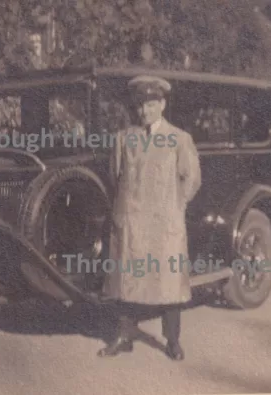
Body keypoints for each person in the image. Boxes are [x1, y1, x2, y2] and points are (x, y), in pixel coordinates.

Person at [97, 75, 202, 361]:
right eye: (140, 105)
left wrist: (174, 207)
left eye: (151, 104)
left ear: (162, 104)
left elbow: (191, 180)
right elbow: (115, 176)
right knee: (126, 280)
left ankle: (173, 341)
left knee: (168, 282)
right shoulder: (123, 139)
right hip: (131, 222)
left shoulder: (179, 139)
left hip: (164, 224)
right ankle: (123, 335)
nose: (145, 111)